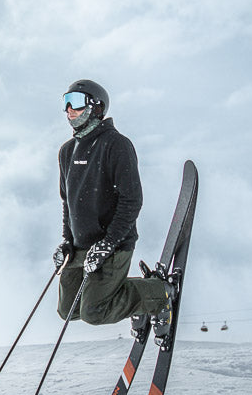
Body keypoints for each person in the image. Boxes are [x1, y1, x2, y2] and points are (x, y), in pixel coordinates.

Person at [53, 79, 176, 337]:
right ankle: (134, 301)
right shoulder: (66, 152)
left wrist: (108, 243)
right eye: (65, 102)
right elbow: (68, 203)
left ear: (96, 108)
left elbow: (132, 201)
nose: (68, 110)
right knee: (68, 309)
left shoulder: (116, 145)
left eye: (75, 102)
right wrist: (66, 240)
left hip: (113, 244)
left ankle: (157, 293)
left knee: (94, 311)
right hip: (80, 246)